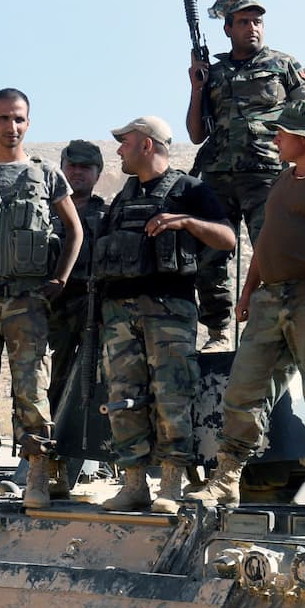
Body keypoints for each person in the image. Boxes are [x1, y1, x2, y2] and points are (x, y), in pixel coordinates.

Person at [188, 100, 305, 516]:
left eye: (281, 132)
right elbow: (265, 242)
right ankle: (227, 478)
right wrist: (248, 292)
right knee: (243, 389)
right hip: (269, 300)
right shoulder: (281, 181)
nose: (274, 139)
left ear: (304, 138)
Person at [0, 84, 82, 509]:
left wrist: (60, 279)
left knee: (32, 389)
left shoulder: (47, 175)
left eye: (19, 118)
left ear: (29, 122)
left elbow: (75, 230)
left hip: (27, 301)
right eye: (3, 118)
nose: (12, 126)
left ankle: (37, 477)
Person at [95, 117, 234, 513]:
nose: (119, 150)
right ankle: (134, 484)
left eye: (126, 142)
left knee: (173, 394)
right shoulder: (124, 197)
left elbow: (227, 238)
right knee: (123, 399)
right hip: (119, 312)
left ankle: (171, 484)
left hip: (168, 309)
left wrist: (186, 221)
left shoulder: (189, 190)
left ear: (147, 145)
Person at [186, 0, 305, 351]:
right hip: (218, 174)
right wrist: (197, 86)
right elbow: (196, 133)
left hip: (266, 173)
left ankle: (277, 327)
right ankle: (219, 332)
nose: (252, 28)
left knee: (272, 251)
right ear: (228, 29)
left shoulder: (283, 65)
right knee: (211, 255)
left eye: (257, 22)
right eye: (243, 22)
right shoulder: (214, 72)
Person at [47, 140, 108, 414]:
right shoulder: (42, 213)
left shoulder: (108, 215)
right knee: (47, 378)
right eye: (72, 166)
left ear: (98, 173)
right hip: (50, 308)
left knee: (97, 376)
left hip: (94, 307)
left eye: (86, 167)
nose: (77, 172)